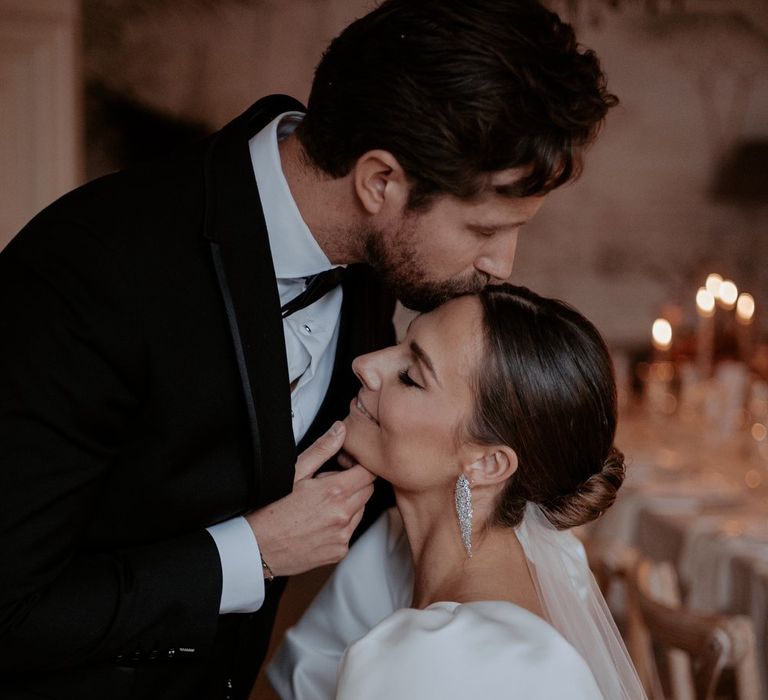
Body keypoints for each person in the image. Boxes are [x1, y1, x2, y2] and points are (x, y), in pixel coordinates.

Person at [0, 1, 616, 699]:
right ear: (380, 181)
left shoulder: (379, 261)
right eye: (482, 229)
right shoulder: (89, 270)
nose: (503, 264)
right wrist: (251, 555)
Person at [269, 285, 646, 699]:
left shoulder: (452, 659)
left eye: (410, 377)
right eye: (401, 344)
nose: (364, 364)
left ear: (488, 464)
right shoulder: (390, 550)